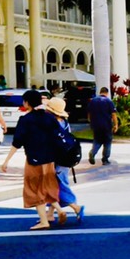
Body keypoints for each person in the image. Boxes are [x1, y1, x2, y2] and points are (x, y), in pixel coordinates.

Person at [10, 95, 62, 229]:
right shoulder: (49, 117)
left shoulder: (25, 119)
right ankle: (60, 210)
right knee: (48, 186)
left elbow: (17, 141)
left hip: (34, 159)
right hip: (50, 158)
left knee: (34, 189)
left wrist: (6, 161)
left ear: (27, 103)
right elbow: (57, 135)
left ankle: (44, 221)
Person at [46, 97, 85, 226]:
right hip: (66, 158)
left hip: (58, 159)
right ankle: (50, 214)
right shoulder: (64, 122)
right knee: (55, 185)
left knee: (58, 185)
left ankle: (76, 207)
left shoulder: (52, 124)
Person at [87, 86, 116, 165]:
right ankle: (105, 159)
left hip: (96, 124)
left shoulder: (93, 101)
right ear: (107, 93)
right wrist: (116, 125)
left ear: (100, 92)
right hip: (106, 125)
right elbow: (113, 114)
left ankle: (92, 153)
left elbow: (89, 113)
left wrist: (90, 121)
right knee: (107, 142)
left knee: (97, 140)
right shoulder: (109, 101)